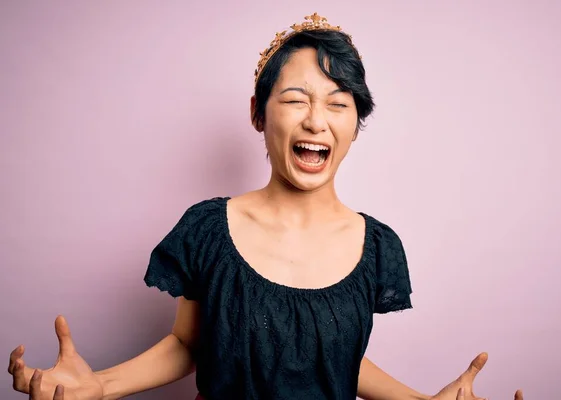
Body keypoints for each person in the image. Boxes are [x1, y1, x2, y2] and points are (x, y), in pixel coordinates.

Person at [8, 13, 524, 400]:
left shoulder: (379, 247)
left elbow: (333, 360)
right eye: (297, 99)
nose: (317, 120)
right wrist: (98, 385)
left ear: (353, 128)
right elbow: (190, 345)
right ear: (258, 114)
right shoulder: (207, 228)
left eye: (339, 104)